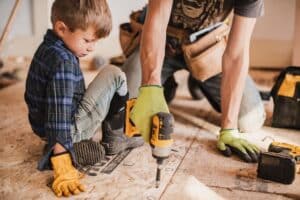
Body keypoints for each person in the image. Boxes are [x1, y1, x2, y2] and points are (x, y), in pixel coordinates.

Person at [24, 0, 143, 197]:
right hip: (65, 128)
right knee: (116, 76)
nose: (92, 48)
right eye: (87, 40)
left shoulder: (50, 46)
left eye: (96, 41)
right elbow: (58, 112)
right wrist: (61, 160)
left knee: (110, 73)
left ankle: (65, 144)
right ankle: (107, 139)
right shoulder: (63, 63)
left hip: (44, 126)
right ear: (62, 28)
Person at [123, 0, 266, 163]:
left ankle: (198, 76)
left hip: (205, 49)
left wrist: (229, 128)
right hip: (162, 40)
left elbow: (236, 54)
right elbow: (157, 20)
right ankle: (164, 83)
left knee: (249, 119)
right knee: (127, 112)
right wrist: (151, 86)